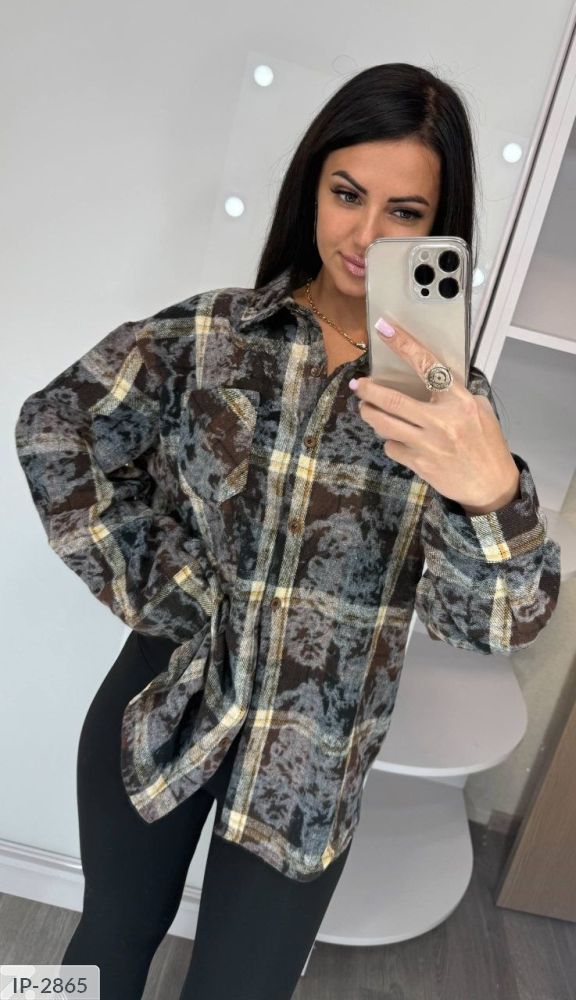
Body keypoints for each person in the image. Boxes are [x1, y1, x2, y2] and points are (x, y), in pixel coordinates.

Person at [14, 62, 561, 1000]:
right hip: (165, 696)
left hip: (312, 753)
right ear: (313, 186)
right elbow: (56, 426)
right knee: (100, 950)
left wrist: (491, 494)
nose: (366, 235)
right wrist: (171, 585)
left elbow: (495, 625)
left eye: (405, 212)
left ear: (440, 228)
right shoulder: (211, 336)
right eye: (348, 194)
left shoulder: (450, 408)